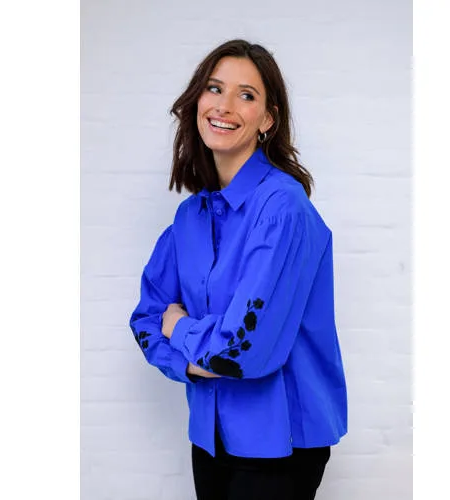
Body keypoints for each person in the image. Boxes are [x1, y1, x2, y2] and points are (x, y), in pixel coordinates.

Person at [130, 39, 347, 500]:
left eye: (246, 95)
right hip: (209, 438)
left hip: (279, 443)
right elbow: (147, 319)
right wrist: (193, 365)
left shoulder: (283, 208)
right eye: (214, 88)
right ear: (197, 101)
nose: (224, 105)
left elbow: (242, 352)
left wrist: (179, 326)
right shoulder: (189, 218)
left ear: (267, 119)